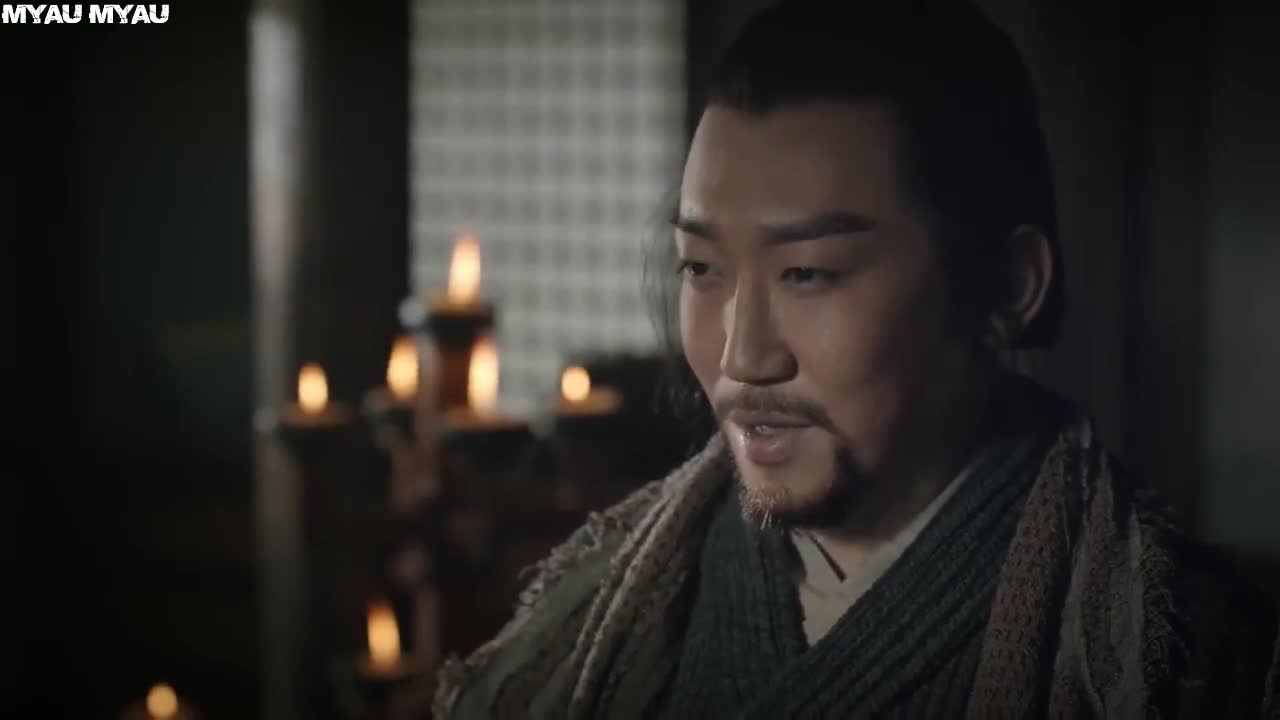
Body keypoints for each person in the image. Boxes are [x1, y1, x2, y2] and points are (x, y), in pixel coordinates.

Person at [434, 0, 1279, 716]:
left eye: (809, 273)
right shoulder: (600, 616)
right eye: (701, 268)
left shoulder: (1177, 651)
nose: (742, 356)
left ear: (1008, 285)